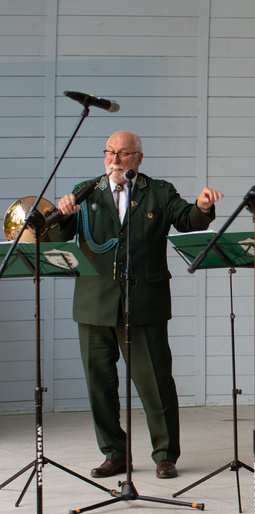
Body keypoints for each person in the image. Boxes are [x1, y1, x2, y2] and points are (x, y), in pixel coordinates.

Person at [46, 131, 223, 479]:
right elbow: (59, 237)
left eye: (124, 153)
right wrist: (64, 214)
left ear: (138, 159)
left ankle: (165, 454)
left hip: (143, 301)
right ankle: (114, 453)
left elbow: (188, 220)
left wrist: (203, 207)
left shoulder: (158, 192)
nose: (115, 159)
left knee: (155, 382)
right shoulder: (86, 192)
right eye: (110, 152)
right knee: (100, 384)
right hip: (94, 303)